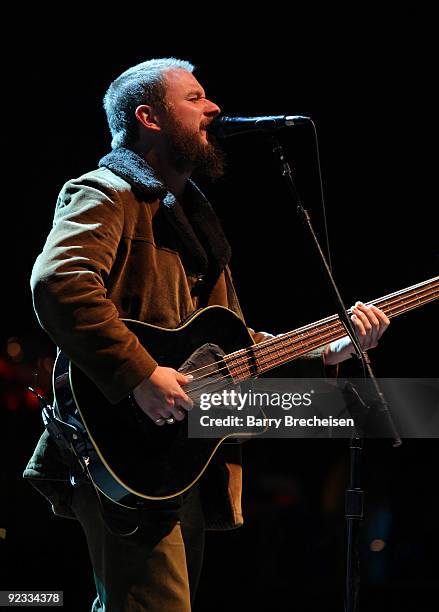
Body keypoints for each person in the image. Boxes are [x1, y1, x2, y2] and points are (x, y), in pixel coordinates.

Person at [23, 58, 389, 611]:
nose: (213, 108)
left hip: (177, 452)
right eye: (194, 98)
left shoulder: (195, 220)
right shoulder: (106, 192)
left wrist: (326, 350)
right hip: (120, 441)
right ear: (148, 116)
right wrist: (141, 375)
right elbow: (59, 284)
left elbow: (233, 343)